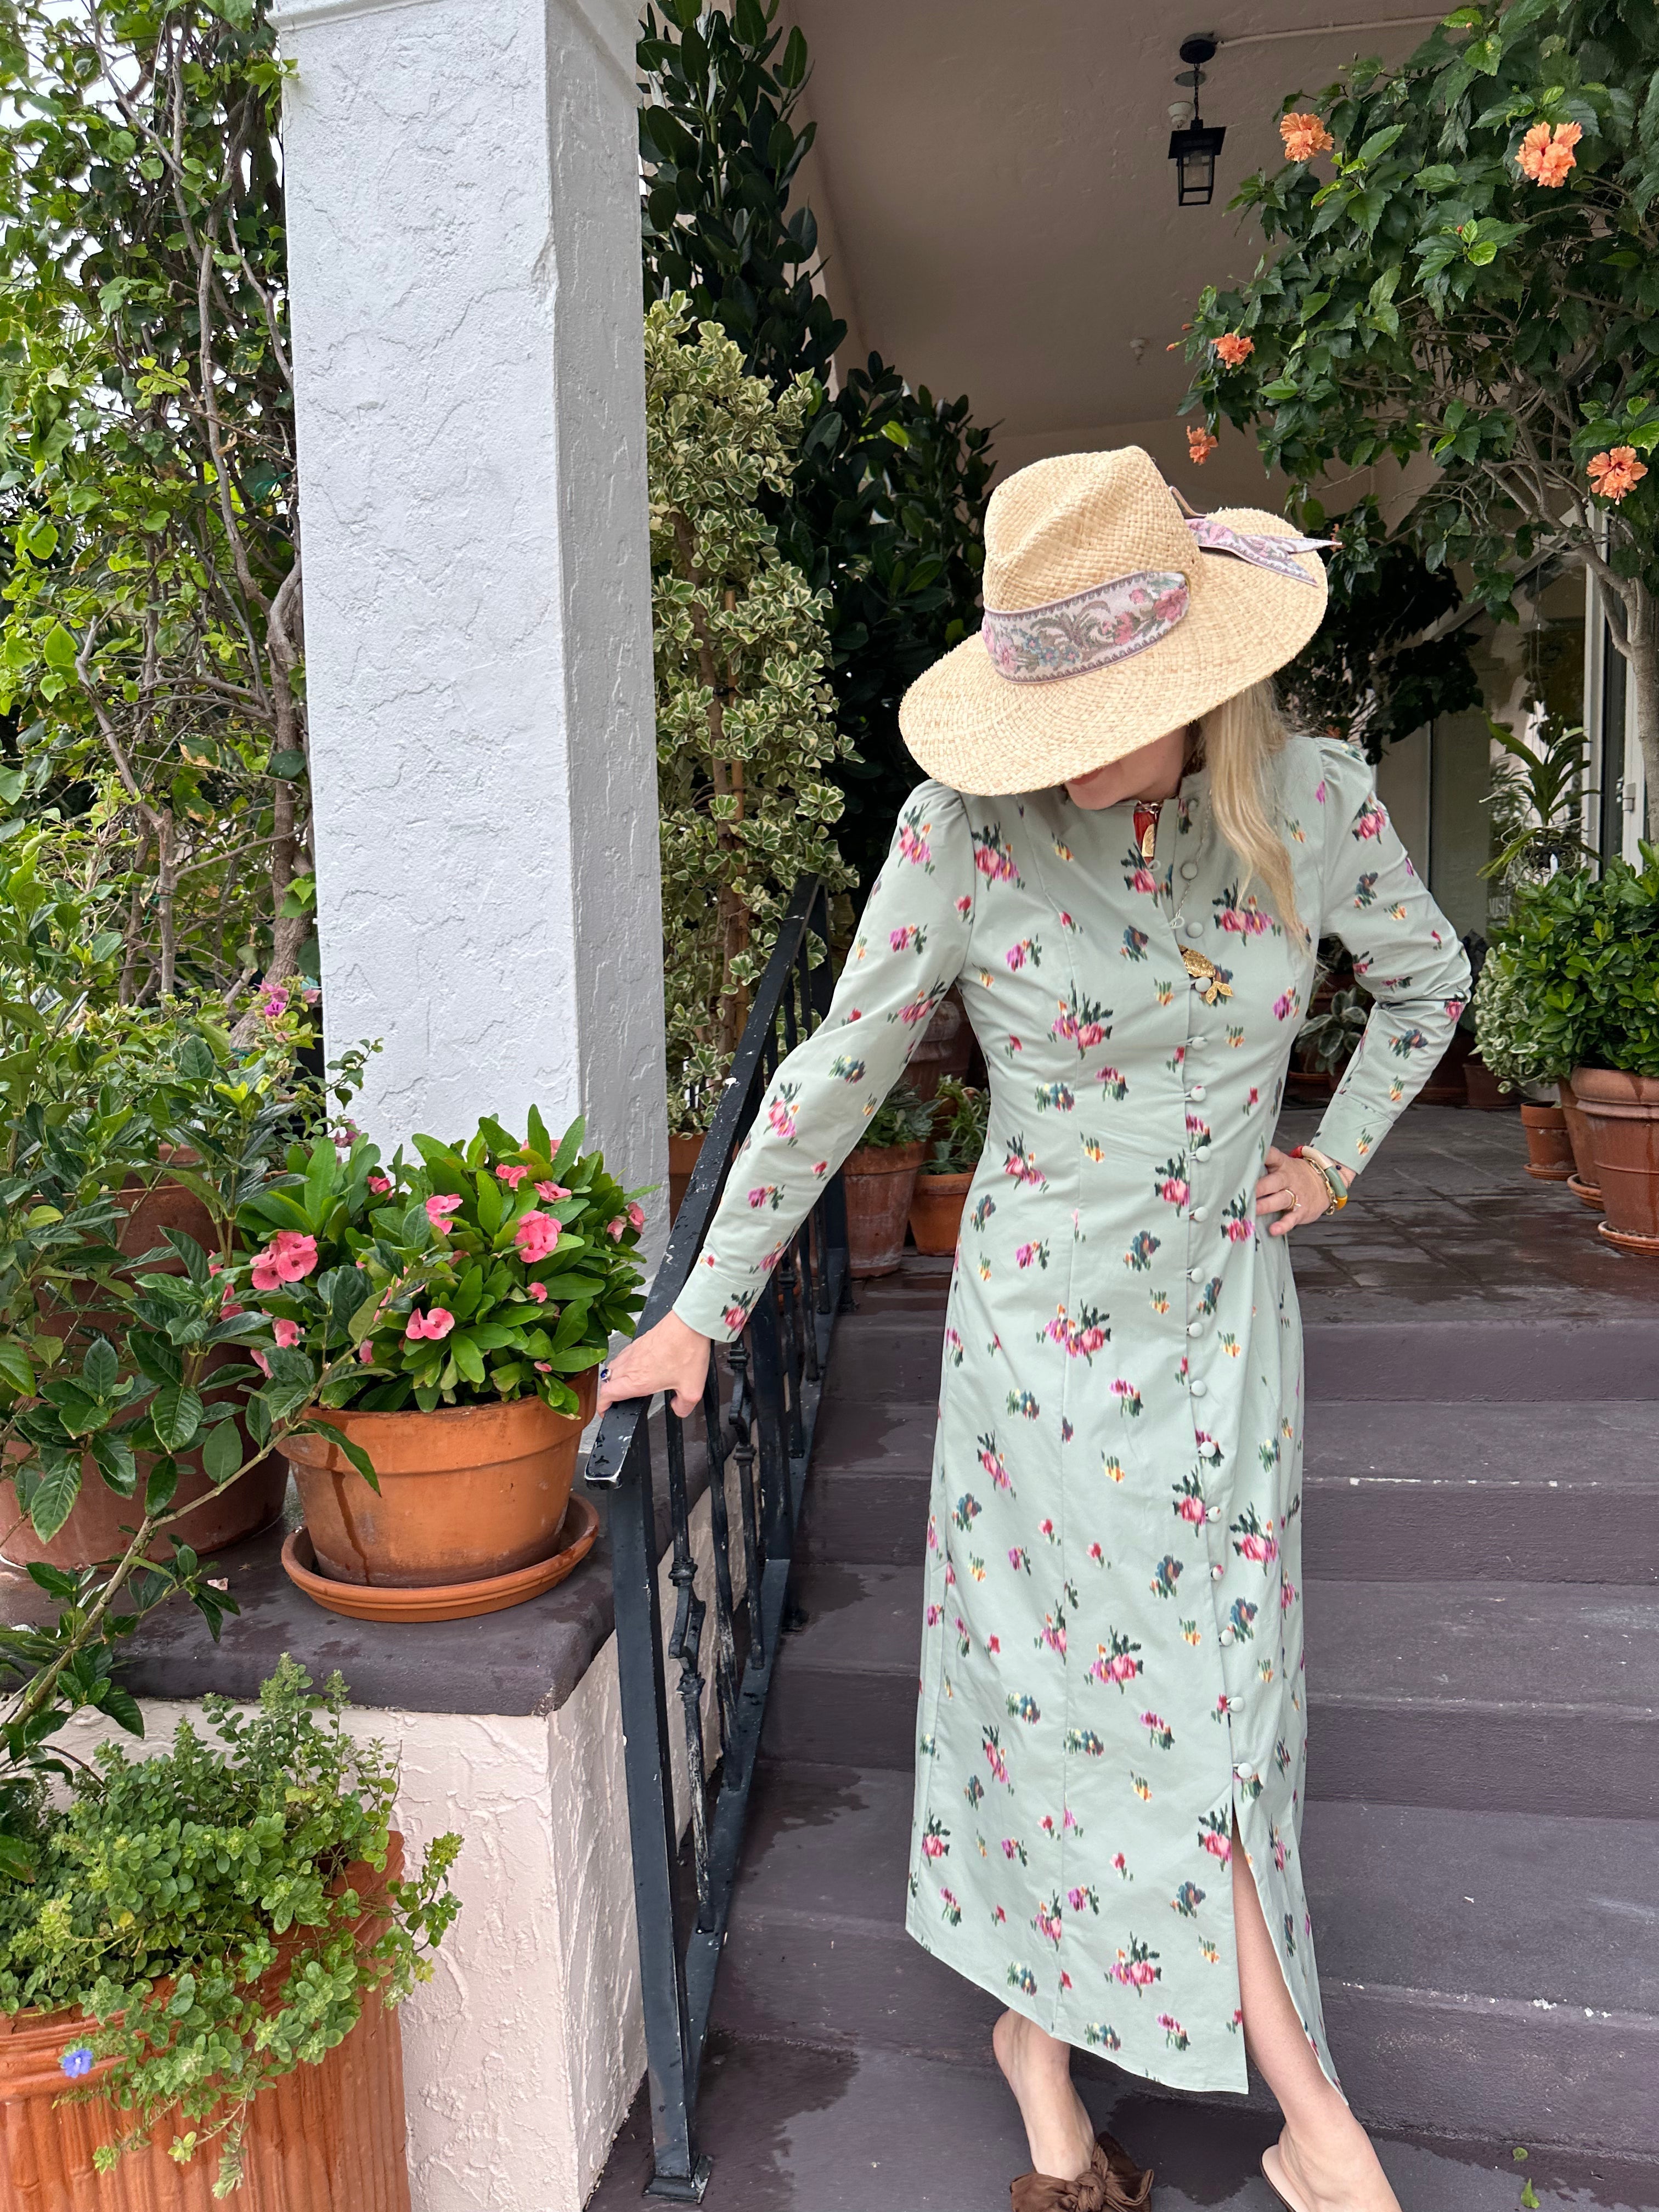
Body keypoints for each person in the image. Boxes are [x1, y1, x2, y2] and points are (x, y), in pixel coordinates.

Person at [598, 447, 1470, 2212]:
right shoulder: (962, 832)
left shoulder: (1312, 801)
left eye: (1110, 712)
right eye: (1044, 713)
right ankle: (1297, 2123)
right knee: (1084, 1712)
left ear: (1204, 686)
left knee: (1221, 1712)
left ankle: (1069, 2065)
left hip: (1228, 1331)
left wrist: (1337, 1161)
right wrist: (703, 1307)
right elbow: (837, 1072)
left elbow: (1431, 981)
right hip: (1043, 1357)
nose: (1072, 757)